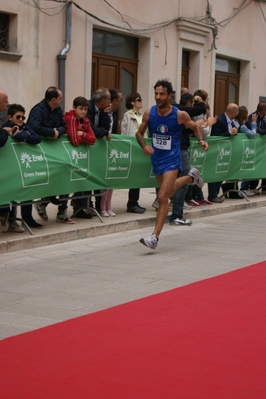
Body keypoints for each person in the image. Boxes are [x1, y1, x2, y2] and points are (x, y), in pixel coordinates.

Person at [136, 79, 208, 249]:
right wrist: (144, 146)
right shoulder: (149, 113)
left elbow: (195, 126)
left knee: (162, 197)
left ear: (169, 95)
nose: (158, 97)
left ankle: (154, 237)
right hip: (157, 159)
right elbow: (138, 134)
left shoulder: (179, 114)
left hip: (172, 159)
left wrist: (201, 140)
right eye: (156, 93)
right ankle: (190, 178)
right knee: (166, 194)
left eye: (162, 94)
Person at [28, 86, 75, 224]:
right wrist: (50, 132)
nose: (62, 100)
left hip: (56, 149)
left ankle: (62, 210)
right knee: (49, 177)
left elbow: (63, 125)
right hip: (40, 150)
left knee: (66, 172)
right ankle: (43, 202)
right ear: (53, 99)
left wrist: (58, 132)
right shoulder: (38, 110)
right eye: (60, 97)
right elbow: (33, 127)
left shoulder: (58, 110)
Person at [169, 91, 208, 226]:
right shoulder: (180, 110)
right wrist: (200, 100)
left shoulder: (170, 113)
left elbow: (194, 126)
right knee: (181, 182)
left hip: (171, 151)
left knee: (172, 182)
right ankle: (176, 215)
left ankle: (172, 211)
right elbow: (200, 110)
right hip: (179, 150)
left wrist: (201, 139)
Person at [64, 96, 96, 219]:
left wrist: (82, 134)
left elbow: (92, 140)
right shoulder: (70, 118)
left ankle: (79, 206)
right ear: (74, 108)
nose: (83, 112)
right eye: (81, 109)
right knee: (65, 184)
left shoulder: (85, 120)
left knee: (83, 179)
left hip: (80, 157)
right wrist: (83, 137)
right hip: (68, 156)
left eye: (85, 109)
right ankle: (45, 203)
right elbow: (75, 141)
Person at [0, 92, 26, 233]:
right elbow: (1, 141)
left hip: (10, 162)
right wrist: (5, 131)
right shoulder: (5, 122)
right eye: (6, 101)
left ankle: (12, 220)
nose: (8, 103)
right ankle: (3, 216)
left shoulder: (4, 116)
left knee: (13, 188)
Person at [120, 92, 148, 214]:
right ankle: (132, 203)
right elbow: (125, 133)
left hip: (142, 147)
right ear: (132, 102)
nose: (141, 101)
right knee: (135, 176)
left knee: (139, 176)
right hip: (134, 148)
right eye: (138, 99)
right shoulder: (127, 116)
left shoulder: (142, 116)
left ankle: (135, 201)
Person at [86, 87, 111, 213]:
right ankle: (84, 204)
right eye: (109, 99)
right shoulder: (88, 108)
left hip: (95, 149)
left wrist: (106, 113)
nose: (110, 102)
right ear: (102, 101)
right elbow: (90, 129)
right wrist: (104, 132)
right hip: (85, 147)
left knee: (97, 176)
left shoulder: (102, 110)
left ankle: (96, 205)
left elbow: (105, 127)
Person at [207, 103, 239, 203]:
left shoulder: (232, 121)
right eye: (237, 112)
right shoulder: (220, 120)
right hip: (216, 151)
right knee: (214, 172)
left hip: (226, 151)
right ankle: (212, 195)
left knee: (221, 171)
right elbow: (216, 136)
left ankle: (215, 193)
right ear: (233, 112)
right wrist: (229, 133)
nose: (237, 114)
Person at [101, 89, 123, 217]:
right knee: (104, 179)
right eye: (120, 99)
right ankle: (102, 207)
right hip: (102, 146)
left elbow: (113, 130)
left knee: (111, 180)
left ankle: (109, 206)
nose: (121, 102)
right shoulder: (105, 113)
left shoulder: (114, 114)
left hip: (111, 147)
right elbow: (104, 127)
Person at [240, 102, 266, 194]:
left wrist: (262, 131)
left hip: (259, 148)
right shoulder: (253, 117)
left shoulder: (264, 118)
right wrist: (260, 130)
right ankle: (245, 188)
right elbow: (253, 132)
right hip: (249, 147)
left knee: (259, 166)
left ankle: (256, 187)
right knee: (249, 166)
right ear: (263, 110)